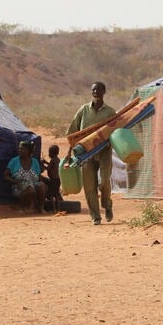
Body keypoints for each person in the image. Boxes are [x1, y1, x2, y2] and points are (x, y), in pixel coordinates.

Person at [67, 81, 116, 225]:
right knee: (89, 186)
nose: (96, 92)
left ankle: (107, 205)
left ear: (104, 92)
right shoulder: (84, 110)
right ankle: (95, 216)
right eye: (94, 90)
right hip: (86, 153)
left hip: (104, 152)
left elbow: (115, 130)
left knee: (105, 181)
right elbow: (73, 131)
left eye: (99, 90)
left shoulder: (110, 111)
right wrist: (71, 150)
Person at [4, 140, 46, 212]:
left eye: (23, 149)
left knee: (41, 185)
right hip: (19, 187)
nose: (20, 150)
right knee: (30, 189)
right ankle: (23, 207)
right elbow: (6, 176)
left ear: (29, 151)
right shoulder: (14, 161)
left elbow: (39, 177)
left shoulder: (35, 162)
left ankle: (41, 208)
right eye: (19, 148)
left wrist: (41, 187)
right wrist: (15, 181)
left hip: (33, 184)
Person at [42, 144, 63, 212]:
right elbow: (52, 165)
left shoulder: (52, 160)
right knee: (56, 195)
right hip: (58, 180)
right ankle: (58, 209)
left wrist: (42, 165)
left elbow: (48, 168)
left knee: (51, 195)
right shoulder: (58, 160)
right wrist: (45, 162)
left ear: (51, 153)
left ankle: (54, 209)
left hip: (53, 180)